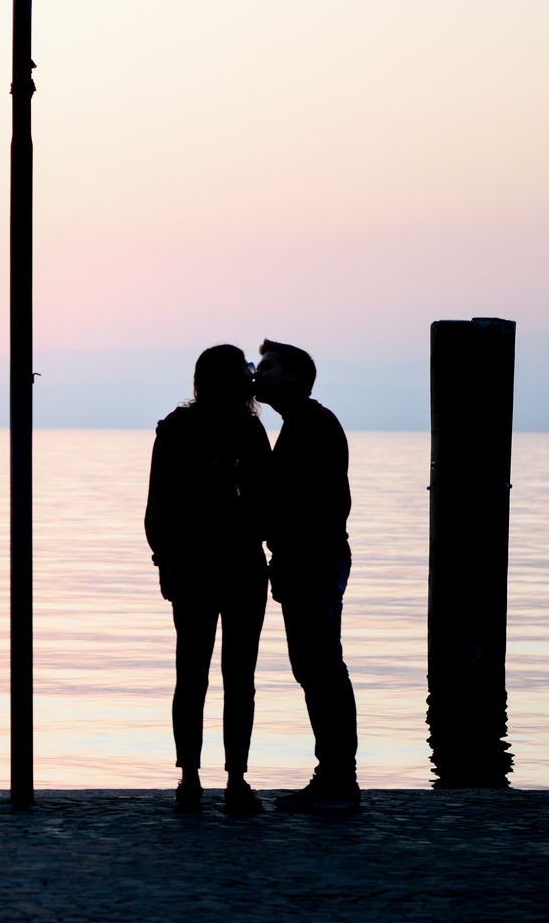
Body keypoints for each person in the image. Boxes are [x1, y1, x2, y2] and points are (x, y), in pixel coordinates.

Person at [145, 344, 272, 816]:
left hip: (198, 565)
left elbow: (158, 508)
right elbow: (266, 502)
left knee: (192, 674)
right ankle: (234, 779)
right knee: (239, 677)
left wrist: (166, 560)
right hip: (237, 565)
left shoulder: (176, 429)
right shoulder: (248, 428)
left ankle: (191, 779)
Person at [254, 338, 360, 813]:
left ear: (293, 376)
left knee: (318, 667)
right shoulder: (305, 422)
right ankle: (336, 775)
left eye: (268, 367)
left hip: (312, 562)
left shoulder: (309, 426)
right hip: (315, 559)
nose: (258, 374)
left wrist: (287, 551)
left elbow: (314, 503)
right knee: (322, 666)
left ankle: (336, 779)